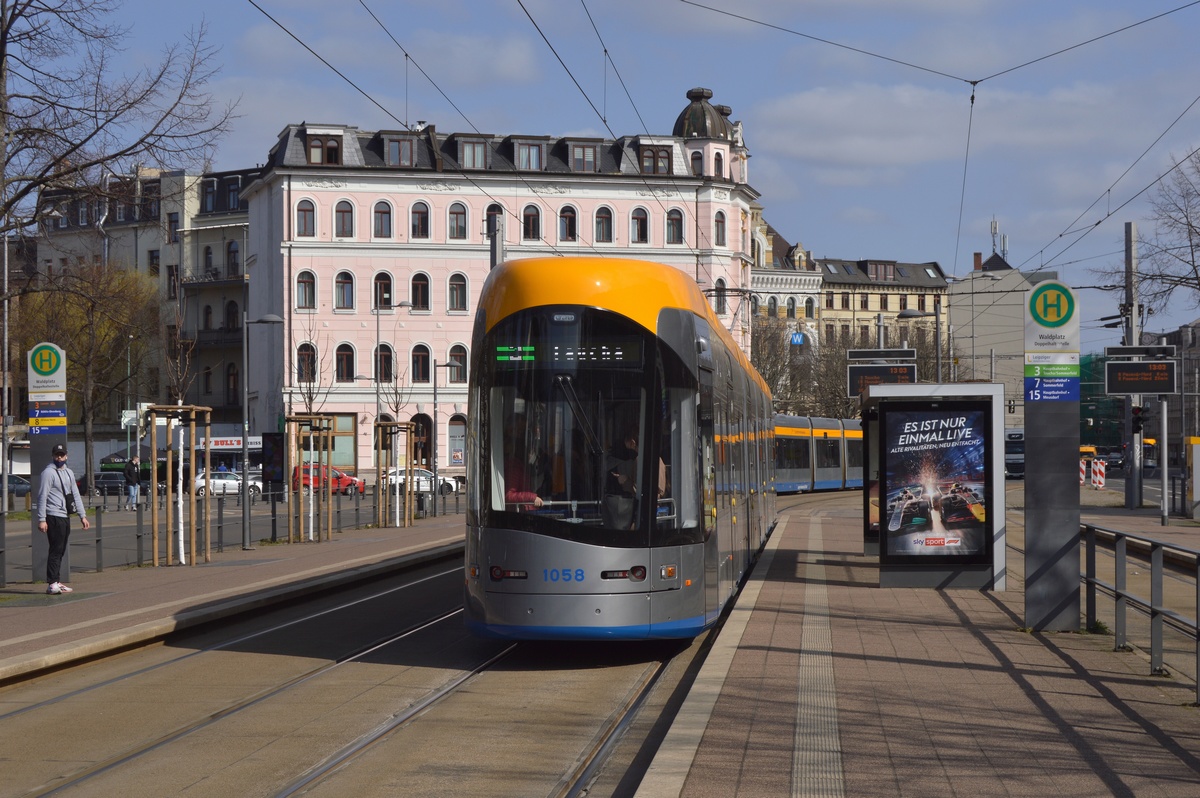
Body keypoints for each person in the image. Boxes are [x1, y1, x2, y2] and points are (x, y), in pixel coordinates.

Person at [36, 444, 90, 595]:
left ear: (66, 455)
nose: (59, 457)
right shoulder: (48, 473)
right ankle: (51, 583)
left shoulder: (69, 473)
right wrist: (42, 519)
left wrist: (82, 515)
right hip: (53, 516)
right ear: (53, 456)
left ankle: (57, 580)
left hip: (65, 515)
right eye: (56, 455)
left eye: (62, 455)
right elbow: (42, 496)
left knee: (61, 550)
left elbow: (75, 495)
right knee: (55, 549)